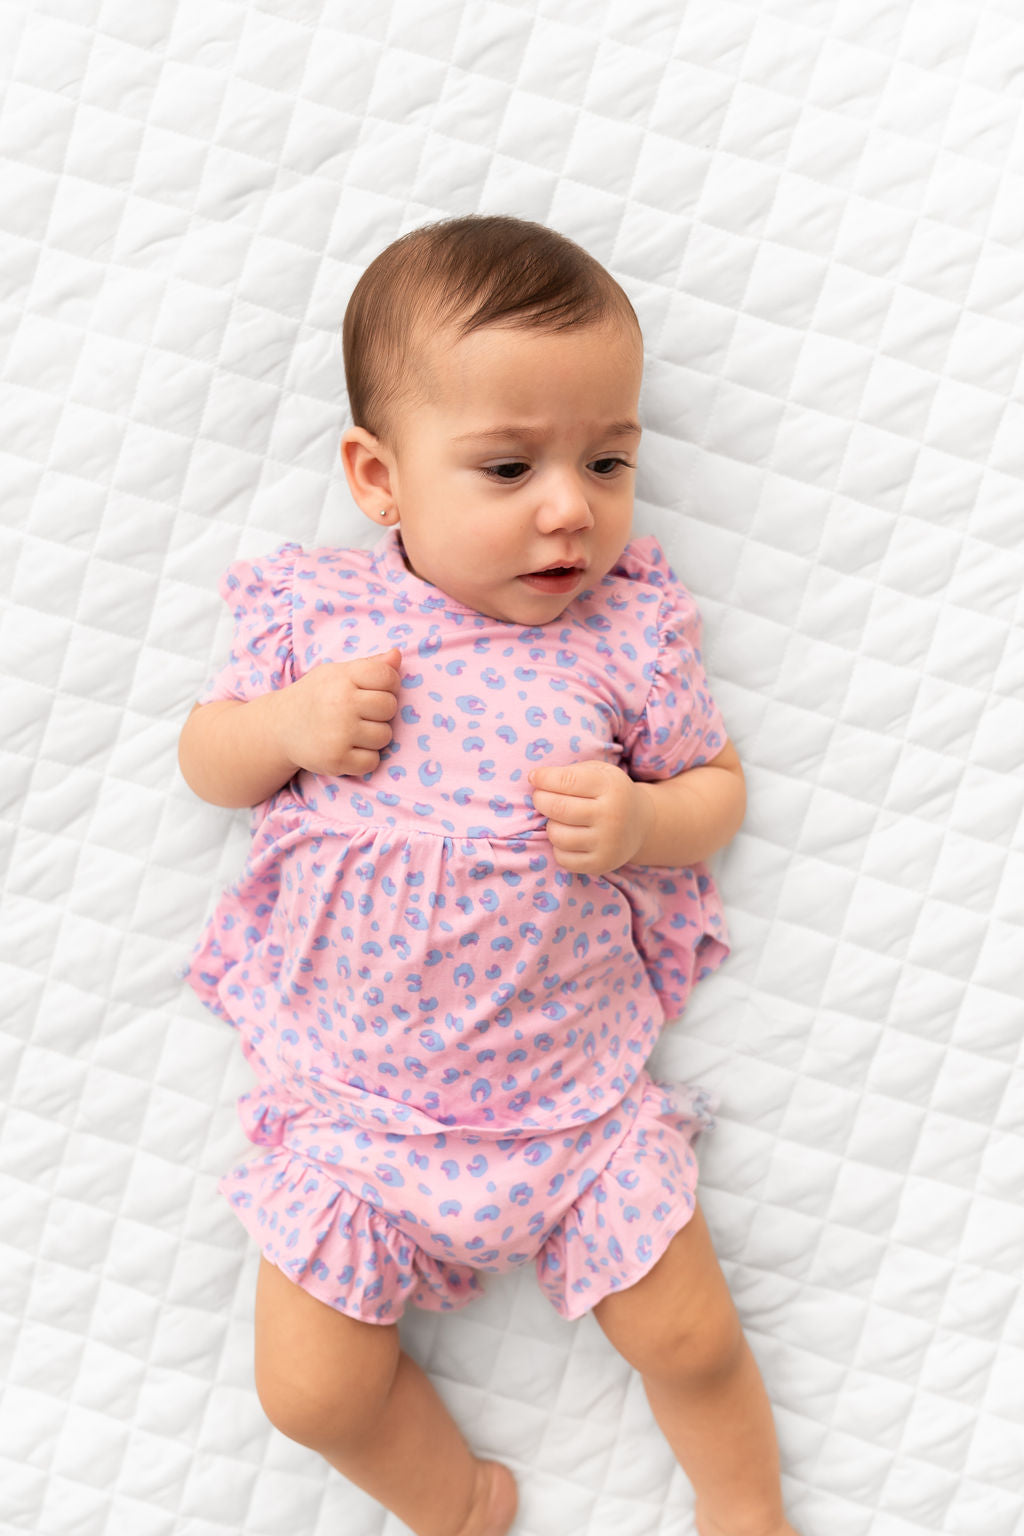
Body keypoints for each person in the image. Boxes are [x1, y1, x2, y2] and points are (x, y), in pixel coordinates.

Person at [178, 215, 799, 1536]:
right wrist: (286, 728)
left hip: (572, 1108)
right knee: (309, 1391)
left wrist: (642, 821)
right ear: (379, 477)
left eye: (609, 460)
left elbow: (718, 789)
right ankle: (457, 1504)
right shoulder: (321, 620)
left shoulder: (625, 632)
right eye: (510, 466)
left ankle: (745, 1505)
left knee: (689, 1339)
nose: (570, 507)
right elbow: (208, 760)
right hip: (355, 1116)